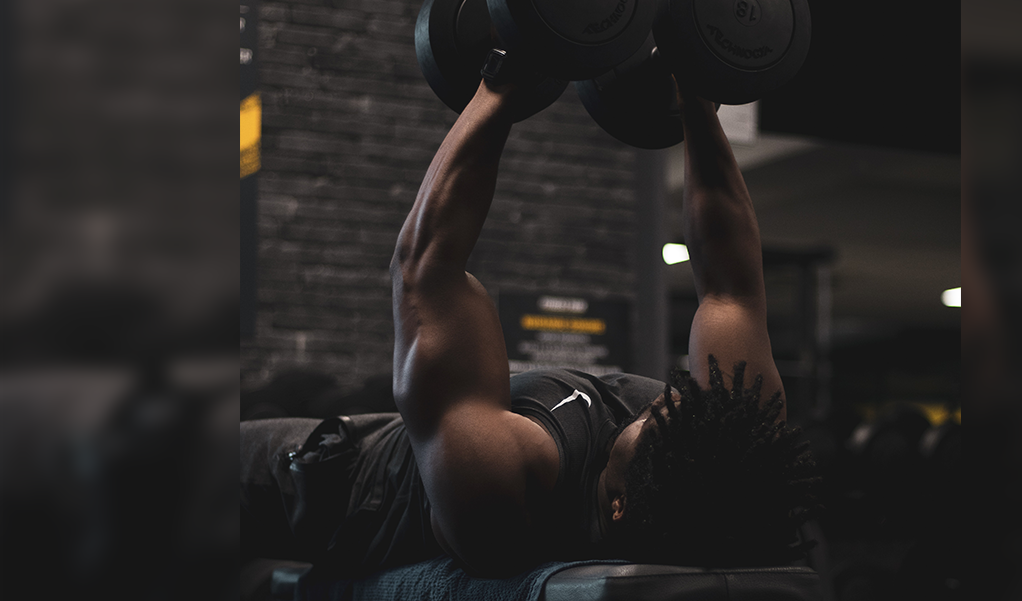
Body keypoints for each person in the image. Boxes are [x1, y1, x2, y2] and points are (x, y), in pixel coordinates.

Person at [240, 63, 820, 580]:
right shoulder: (734, 446)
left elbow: (426, 269)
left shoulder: (501, 482)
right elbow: (730, 284)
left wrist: (500, 83)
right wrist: (698, 104)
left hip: (317, 485)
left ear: (618, 505)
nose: (668, 399)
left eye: (657, 422)